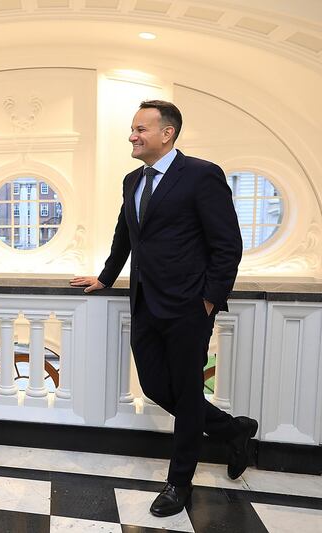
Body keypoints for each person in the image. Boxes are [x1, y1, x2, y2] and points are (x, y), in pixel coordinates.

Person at [70, 100, 257, 517]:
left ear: (167, 133)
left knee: (188, 393)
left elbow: (227, 245)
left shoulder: (202, 175)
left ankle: (179, 481)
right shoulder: (132, 179)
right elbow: (126, 232)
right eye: (132, 129)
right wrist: (105, 276)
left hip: (189, 306)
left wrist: (209, 298)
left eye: (140, 129)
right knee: (156, 386)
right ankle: (234, 429)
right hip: (145, 302)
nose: (132, 136)